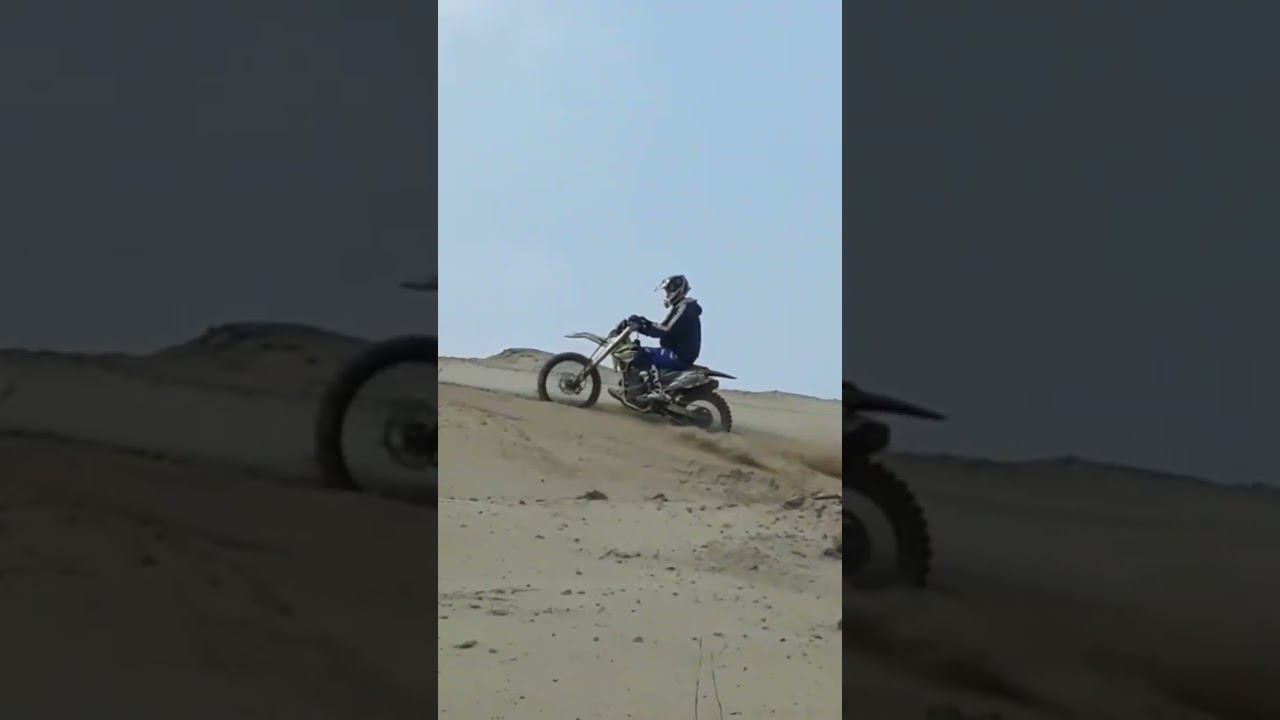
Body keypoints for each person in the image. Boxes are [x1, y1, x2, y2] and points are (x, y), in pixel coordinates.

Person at [621, 275, 702, 402]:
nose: (667, 294)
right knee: (637, 351)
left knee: (643, 354)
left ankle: (654, 391)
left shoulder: (685, 308)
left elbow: (665, 330)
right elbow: (662, 328)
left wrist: (644, 323)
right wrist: (641, 326)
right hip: (677, 351)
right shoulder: (679, 306)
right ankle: (636, 388)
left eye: (669, 290)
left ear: (678, 290)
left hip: (680, 354)